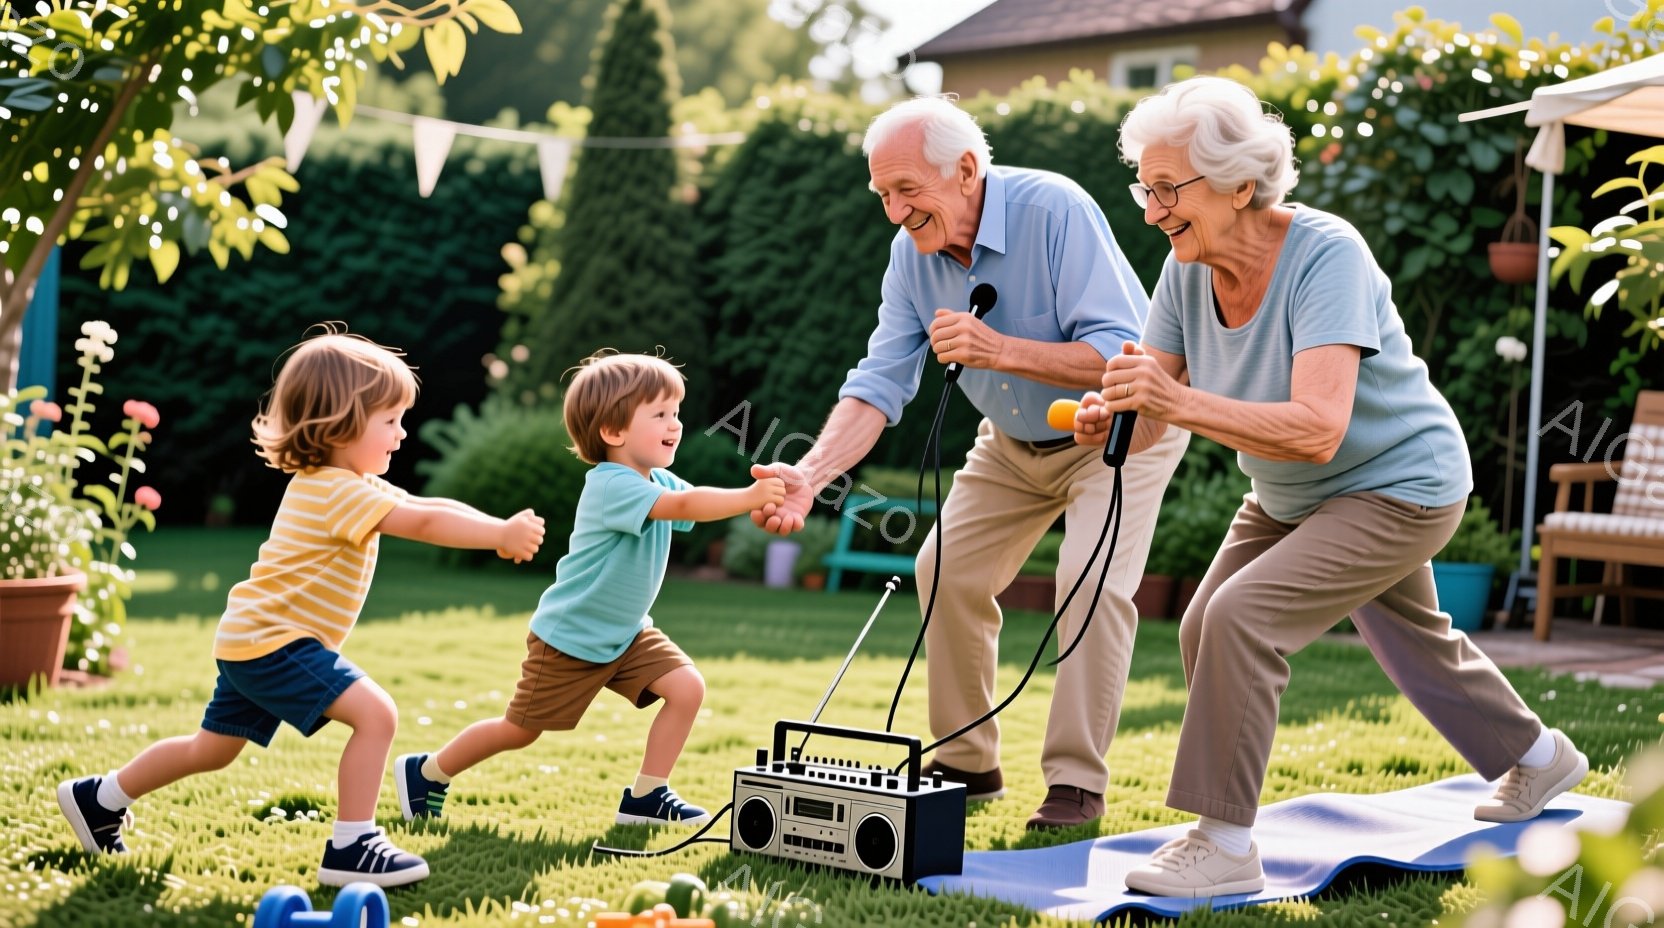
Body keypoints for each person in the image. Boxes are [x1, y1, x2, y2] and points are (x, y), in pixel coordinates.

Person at [1071, 76, 1588, 896]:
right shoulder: (1184, 270)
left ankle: (1226, 842)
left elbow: (1318, 428)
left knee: (1239, 618)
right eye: (1146, 185)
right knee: (1362, 637)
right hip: (1291, 497)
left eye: (1168, 188)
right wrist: (1120, 416)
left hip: (1398, 486)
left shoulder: (1325, 253)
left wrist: (1172, 401)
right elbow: (1160, 409)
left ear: (1241, 184)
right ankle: (1539, 756)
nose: (1151, 207)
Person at [753, 96, 1188, 830]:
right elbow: (879, 381)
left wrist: (999, 350)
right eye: (882, 195)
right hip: (1010, 444)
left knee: (1090, 587)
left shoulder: (1054, 209)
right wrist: (813, 473)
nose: (894, 212)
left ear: (963, 170)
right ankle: (967, 759)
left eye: (906, 192)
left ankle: (1076, 782)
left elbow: (1121, 352)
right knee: (943, 570)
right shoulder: (909, 258)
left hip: (1113, 429)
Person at [56, 328, 547, 888]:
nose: (402, 432)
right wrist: (499, 535)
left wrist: (497, 528)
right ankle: (353, 845)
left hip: (253, 640)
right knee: (376, 714)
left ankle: (100, 798)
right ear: (340, 423)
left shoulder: (342, 484)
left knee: (211, 750)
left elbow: (423, 504)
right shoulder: (337, 491)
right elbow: (425, 522)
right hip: (275, 642)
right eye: (389, 421)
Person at [395, 351, 786, 829]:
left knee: (686, 688)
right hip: (571, 638)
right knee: (519, 732)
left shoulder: (654, 478)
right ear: (613, 432)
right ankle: (427, 773)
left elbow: (696, 503)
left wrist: (759, 501)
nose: (675, 424)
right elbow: (686, 503)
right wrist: (749, 497)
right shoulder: (611, 485)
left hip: (626, 634)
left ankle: (647, 796)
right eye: (660, 414)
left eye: (676, 413)